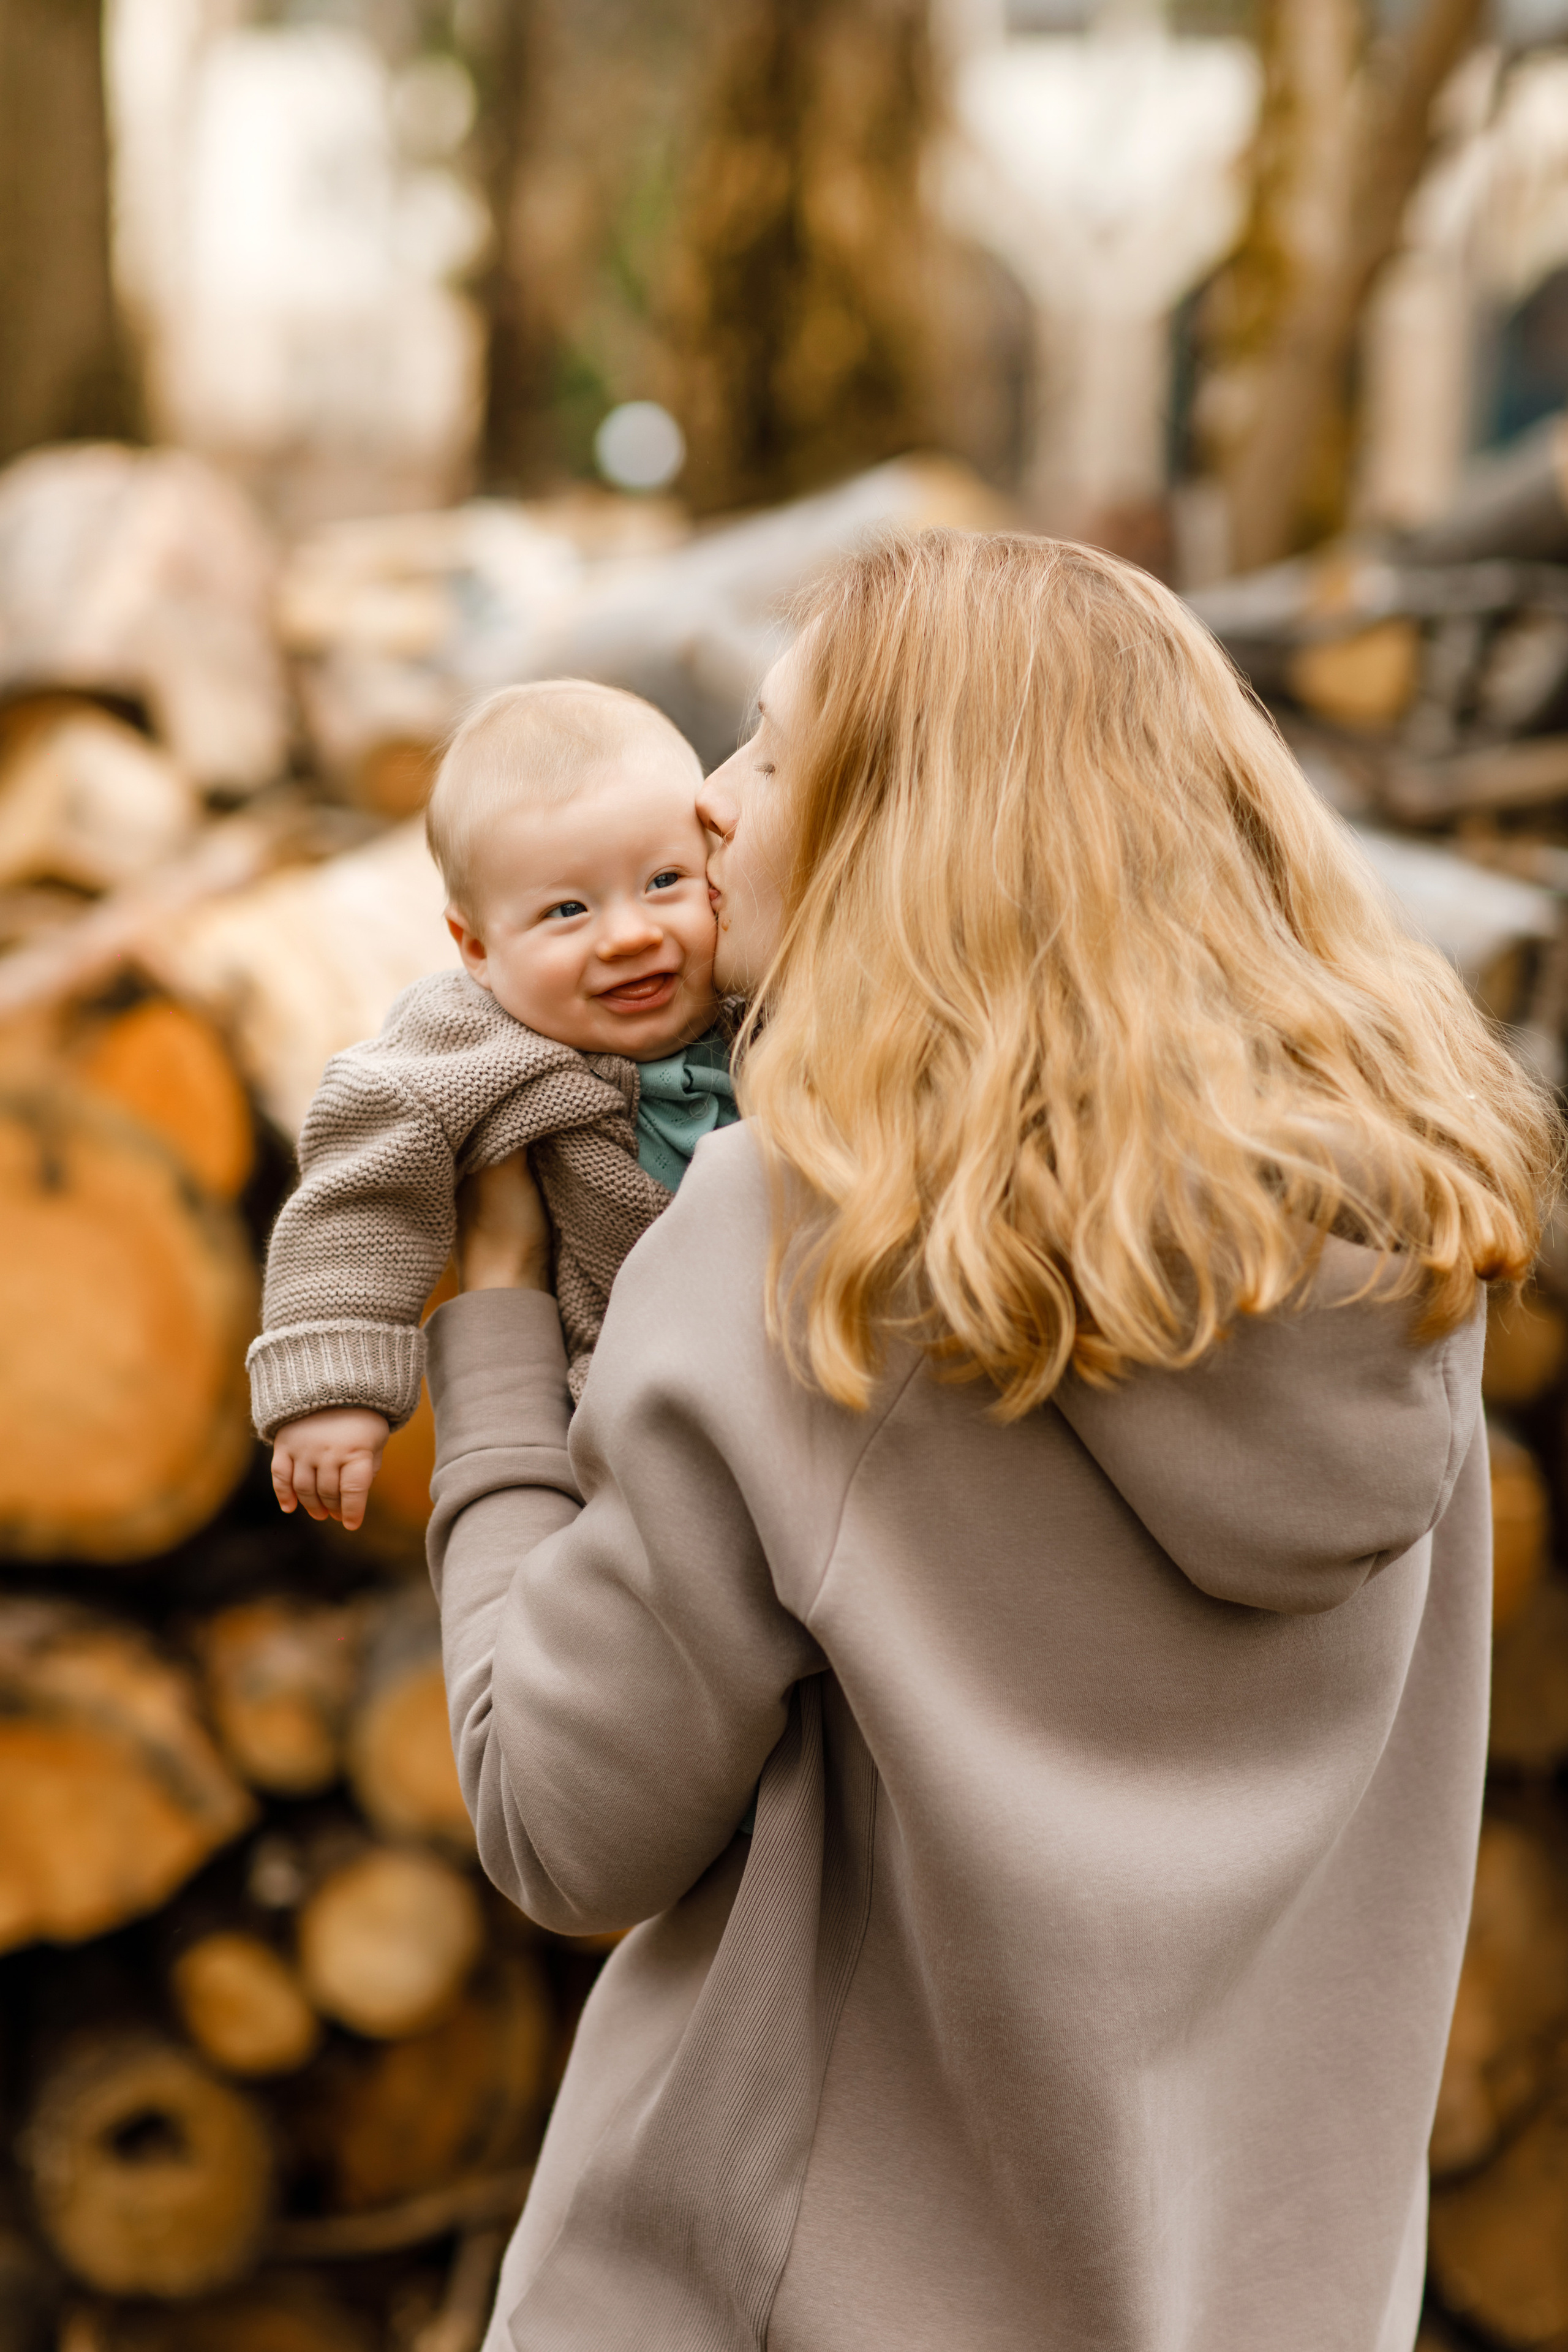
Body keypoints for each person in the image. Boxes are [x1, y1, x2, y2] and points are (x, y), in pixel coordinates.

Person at [426, 531, 1558, 2352]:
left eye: (772, 750)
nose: (710, 800)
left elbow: (559, 1825)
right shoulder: (1407, 1241)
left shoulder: (807, 1242)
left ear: (912, 838)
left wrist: (490, 1324)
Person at [252, 678, 739, 1530]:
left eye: (665, 880)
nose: (629, 934)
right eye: (567, 910)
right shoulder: (471, 1043)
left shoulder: (760, 990)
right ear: (476, 947)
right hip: (625, 1404)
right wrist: (332, 1384)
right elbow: (363, 1195)